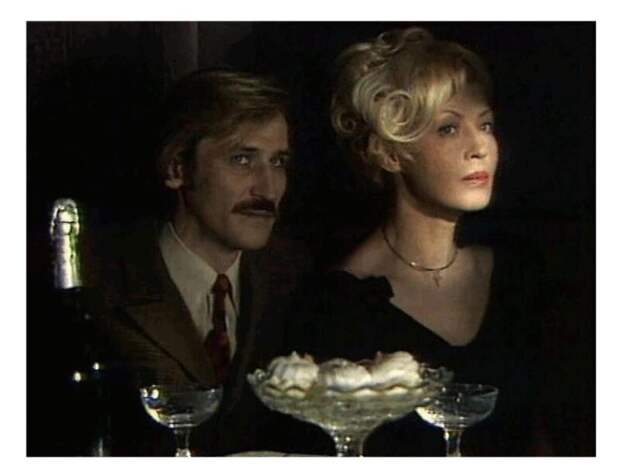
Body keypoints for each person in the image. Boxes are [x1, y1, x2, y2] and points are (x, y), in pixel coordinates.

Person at [283, 27, 552, 456]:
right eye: (449, 128)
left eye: (485, 124)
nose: (480, 146)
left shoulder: (519, 275)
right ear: (390, 153)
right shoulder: (337, 304)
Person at [88, 69, 308, 455]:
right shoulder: (101, 291)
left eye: (278, 162)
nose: (269, 187)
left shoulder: (297, 279)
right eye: (242, 159)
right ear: (178, 169)